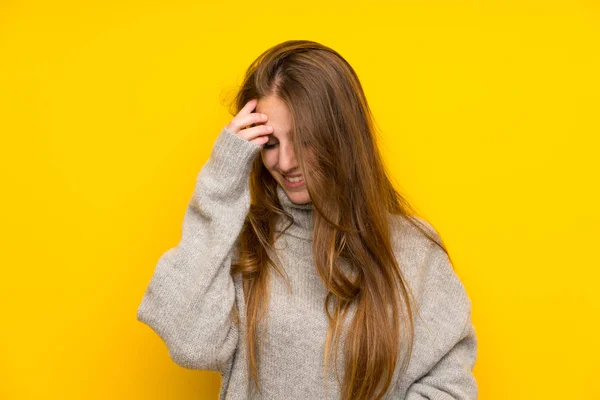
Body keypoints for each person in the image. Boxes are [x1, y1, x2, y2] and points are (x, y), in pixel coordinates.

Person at [136, 40, 478, 399]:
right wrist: (221, 181)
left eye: (303, 139)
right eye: (269, 143)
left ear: (340, 135)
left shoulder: (412, 250)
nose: (285, 161)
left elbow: (448, 385)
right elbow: (191, 344)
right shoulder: (248, 244)